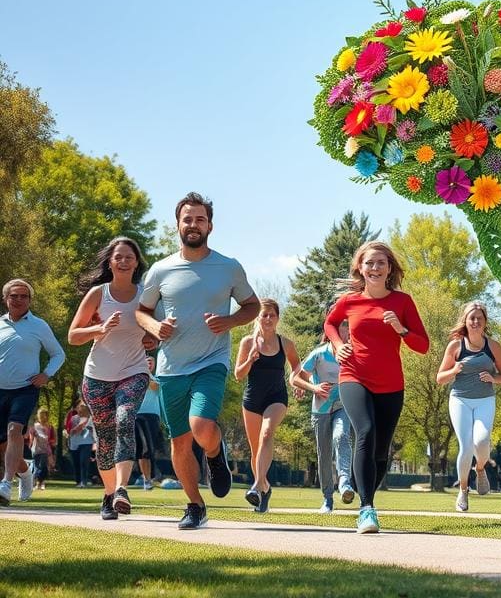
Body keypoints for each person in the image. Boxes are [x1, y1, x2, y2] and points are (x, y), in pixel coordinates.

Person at [136, 192, 259, 530]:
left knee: (201, 426)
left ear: (210, 225)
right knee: (179, 442)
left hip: (211, 360)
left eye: (200, 219)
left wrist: (230, 321)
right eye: (187, 219)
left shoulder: (228, 267)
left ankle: (215, 455)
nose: (193, 225)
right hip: (171, 367)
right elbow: (141, 311)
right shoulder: (160, 270)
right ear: (178, 224)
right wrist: (154, 326)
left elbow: (253, 306)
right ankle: (195, 504)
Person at [324, 240, 429, 534]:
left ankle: (362, 484)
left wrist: (401, 328)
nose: (374, 267)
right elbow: (330, 324)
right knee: (365, 432)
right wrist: (338, 344)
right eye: (369, 263)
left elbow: (422, 345)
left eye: (380, 263)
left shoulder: (402, 302)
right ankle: (367, 509)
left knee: (381, 452)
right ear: (360, 267)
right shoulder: (349, 301)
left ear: (389, 268)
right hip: (353, 375)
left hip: (391, 384)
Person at [68, 237, 152, 520]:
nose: (124, 261)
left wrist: (153, 337)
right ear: (110, 262)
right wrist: (100, 328)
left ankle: (122, 490)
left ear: (137, 262)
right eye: (119, 257)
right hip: (97, 377)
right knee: (104, 437)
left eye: (129, 256)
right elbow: (73, 336)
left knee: (125, 419)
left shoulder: (146, 295)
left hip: (134, 371)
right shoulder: (98, 294)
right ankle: (108, 494)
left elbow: (155, 331)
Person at [436, 301, 501, 512]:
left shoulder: (492, 346)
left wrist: (494, 379)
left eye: (479, 318)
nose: (476, 321)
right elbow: (440, 378)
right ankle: (463, 490)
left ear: (485, 322)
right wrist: (454, 371)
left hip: (485, 400)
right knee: (466, 446)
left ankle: (480, 469)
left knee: (481, 441)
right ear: (466, 321)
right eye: (472, 318)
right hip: (460, 400)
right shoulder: (456, 346)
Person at [0, 278, 66, 505]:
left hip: (26, 388)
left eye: (23, 296)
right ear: (5, 298)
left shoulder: (39, 325)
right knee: (3, 446)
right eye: (14, 296)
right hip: (0, 390)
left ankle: (6, 484)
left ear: (29, 300)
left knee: (14, 430)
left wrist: (46, 374)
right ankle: (25, 472)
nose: (18, 299)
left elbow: (58, 354)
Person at [234, 298, 302, 514]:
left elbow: (296, 366)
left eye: (272, 315)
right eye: (264, 315)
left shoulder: (285, 343)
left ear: (278, 318)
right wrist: (250, 360)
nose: (268, 319)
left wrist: (298, 382)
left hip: (277, 398)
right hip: (252, 400)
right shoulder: (247, 342)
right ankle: (264, 488)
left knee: (267, 434)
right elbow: (238, 375)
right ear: (258, 318)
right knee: (256, 451)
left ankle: (255, 485)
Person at [299, 326, 355, 513]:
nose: (346, 334)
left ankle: (345, 483)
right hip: (320, 409)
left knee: (342, 436)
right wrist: (312, 388)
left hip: (344, 405)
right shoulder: (319, 354)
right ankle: (327, 498)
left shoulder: (353, 353)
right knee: (324, 454)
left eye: (348, 329)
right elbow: (296, 377)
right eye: (342, 329)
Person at [134, 355, 163, 489]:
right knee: (142, 449)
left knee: (150, 449)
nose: (149, 364)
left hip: (152, 416)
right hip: (138, 415)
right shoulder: (136, 378)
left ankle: (151, 476)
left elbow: (154, 387)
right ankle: (146, 479)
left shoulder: (156, 379)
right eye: (146, 362)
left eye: (151, 362)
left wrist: (146, 374)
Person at [68, 401, 95, 487]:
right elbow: (69, 430)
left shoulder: (91, 418)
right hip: (75, 442)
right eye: (80, 407)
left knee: (83, 462)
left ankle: (84, 481)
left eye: (83, 407)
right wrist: (73, 430)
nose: (81, 409)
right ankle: (78, 481)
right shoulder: (73, 418)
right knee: (76, 462)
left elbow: (92, 429)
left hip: (87, 442)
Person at [31, 407, 55, 490]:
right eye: (41, 416)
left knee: (43, 467)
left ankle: (39, 483)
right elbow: (32, 437)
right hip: (36, 449)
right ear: (38, 416)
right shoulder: (35, 426)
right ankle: (35, 483)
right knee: (37, 467)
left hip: (46, 449)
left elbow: (52, 439)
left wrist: (51, 443)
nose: (43, 417)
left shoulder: (49, 426)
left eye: (45, 415)